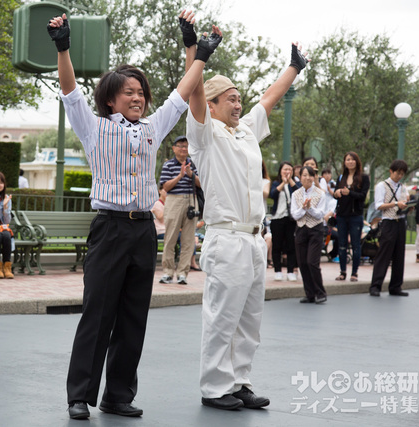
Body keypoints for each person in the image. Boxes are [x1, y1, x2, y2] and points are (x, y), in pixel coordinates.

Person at [48, 10, 221, 420]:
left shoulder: (151, 127)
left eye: (141, 91)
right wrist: (63, 47)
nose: (138, 97)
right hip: (108, 229)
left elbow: (181, 94)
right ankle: (80, 395)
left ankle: (118, 395)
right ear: (111, 98)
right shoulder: (93, 127)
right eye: (129, 92)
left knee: (132, 317)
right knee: (97, 313)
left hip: (143, 230)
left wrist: (198, 53)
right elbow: (70, 91)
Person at [183, 12, 309, 410]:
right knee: (222, 317)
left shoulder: (247, 130)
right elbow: (195, 92)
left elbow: (269, 97)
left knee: (250, 320)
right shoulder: (205, 134)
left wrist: (294, 67)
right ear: (215, 105)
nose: (239, 103)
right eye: (231, 99)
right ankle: (214, 387)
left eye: (239, 98)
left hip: (255, 240)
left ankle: (239, 381)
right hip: (226, 236)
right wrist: (195, 48)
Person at [159, 135, 201, 285]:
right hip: (174, 201)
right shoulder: (168, 165)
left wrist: (191, 175)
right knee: (170, 238)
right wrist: (180, 176)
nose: (183, 149)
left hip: (191, 201)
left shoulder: (194, 164)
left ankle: (183, 273)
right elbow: (165, 186)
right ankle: (168, 272)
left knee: (188, 240)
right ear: (174, 148)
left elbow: (202, 184)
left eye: (186, 146)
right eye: (180, 146)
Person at [369, 160, 410, 297]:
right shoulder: (382, 185)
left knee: (399, 255)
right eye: (398, 173)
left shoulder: (402, 187)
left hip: (400, 222)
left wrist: (408, 206)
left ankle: (396, 286)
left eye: (402, 174)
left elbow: (403, 204)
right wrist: (395, 204)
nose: (399, 176)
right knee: (384, 255)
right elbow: (378, 205)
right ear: (391, 171)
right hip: (388, 222)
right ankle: (375, 286)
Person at [291, 166, 328, 304]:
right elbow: (294, 214)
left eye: (310, 175)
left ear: (314, 178)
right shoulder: (295, 194)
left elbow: (320, 214)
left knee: (312, 262)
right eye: (304, 175)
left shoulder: (320, 193)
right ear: (300, 177)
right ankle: (309, 294)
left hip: (315, 229)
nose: (307, 178)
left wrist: (310, 208)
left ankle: (320, 292)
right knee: (302, 263)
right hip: (301, 229)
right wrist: (303, 208)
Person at [333, 152, 370, 281]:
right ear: (344, 162)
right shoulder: (341, 177)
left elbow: (363, 197)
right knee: (341, 244)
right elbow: (335, 195)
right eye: (348, 160)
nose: (350, 162)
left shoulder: (363, 178)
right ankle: (342, 271)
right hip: (342, 215)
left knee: (355, 245)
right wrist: (336, 193)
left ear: (357, 161)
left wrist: (350, 193)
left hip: (355, 216)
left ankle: (354, 273)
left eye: (353, 159)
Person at [268, 161, 300, 281]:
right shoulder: (276, 183)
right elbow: (273, 194)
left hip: (291, 219)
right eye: (285, 169)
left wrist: (290, 181)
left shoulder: (294, 184)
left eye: (289, 170)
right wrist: (283, 183)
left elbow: (298, 193)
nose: (287, 172)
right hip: (277, 218)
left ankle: (291, 271)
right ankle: (277, 270)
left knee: (291, 245)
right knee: (277, 246)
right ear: (280, 170)